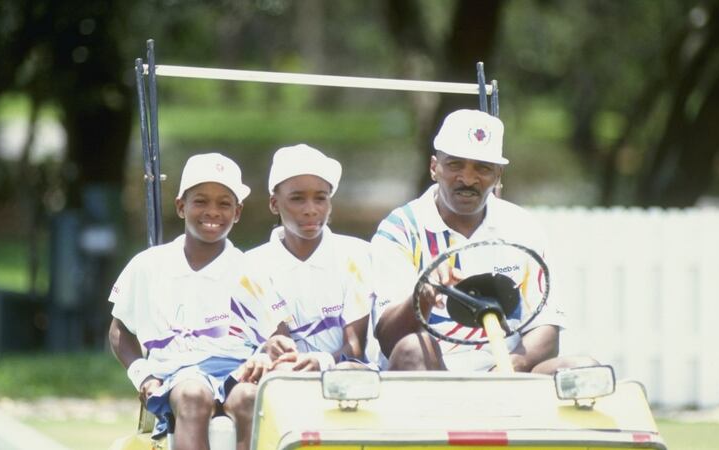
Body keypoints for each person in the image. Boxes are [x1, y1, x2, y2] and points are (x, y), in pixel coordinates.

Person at [371, 109, 595, 373]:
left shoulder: (522, 227)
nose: (467, 179)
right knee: (414, 348)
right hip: (431, 374)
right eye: (455, 164)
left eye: (482, 168)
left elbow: (546, 328)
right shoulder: (400, 229)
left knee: (584, 368)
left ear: (498, 175)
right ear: (434, 168)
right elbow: (389, 340)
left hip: (505, 370)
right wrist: (422, 295)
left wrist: (510, 366)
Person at [108, 153, 289, 450]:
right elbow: (119, 330)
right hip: (177, 373)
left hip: (236, 369)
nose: (213, 212)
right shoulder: (148, 265)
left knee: (249, 399)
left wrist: (265, 355)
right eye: (201, 201)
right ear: (181, 206)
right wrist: (143, 376)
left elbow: (280, 332)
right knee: (193, 395)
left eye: (224, 203)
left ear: (238, 212)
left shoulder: (251, 270)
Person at [247, 144, 374, 370]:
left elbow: (355, 346)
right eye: (297, 199)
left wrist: (322, 362)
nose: (311, 209)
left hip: (346, 373)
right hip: (286, 374)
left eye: (320, 198)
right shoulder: (252, 266)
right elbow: (280, 342)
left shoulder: (357, 255)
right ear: (274, 204)